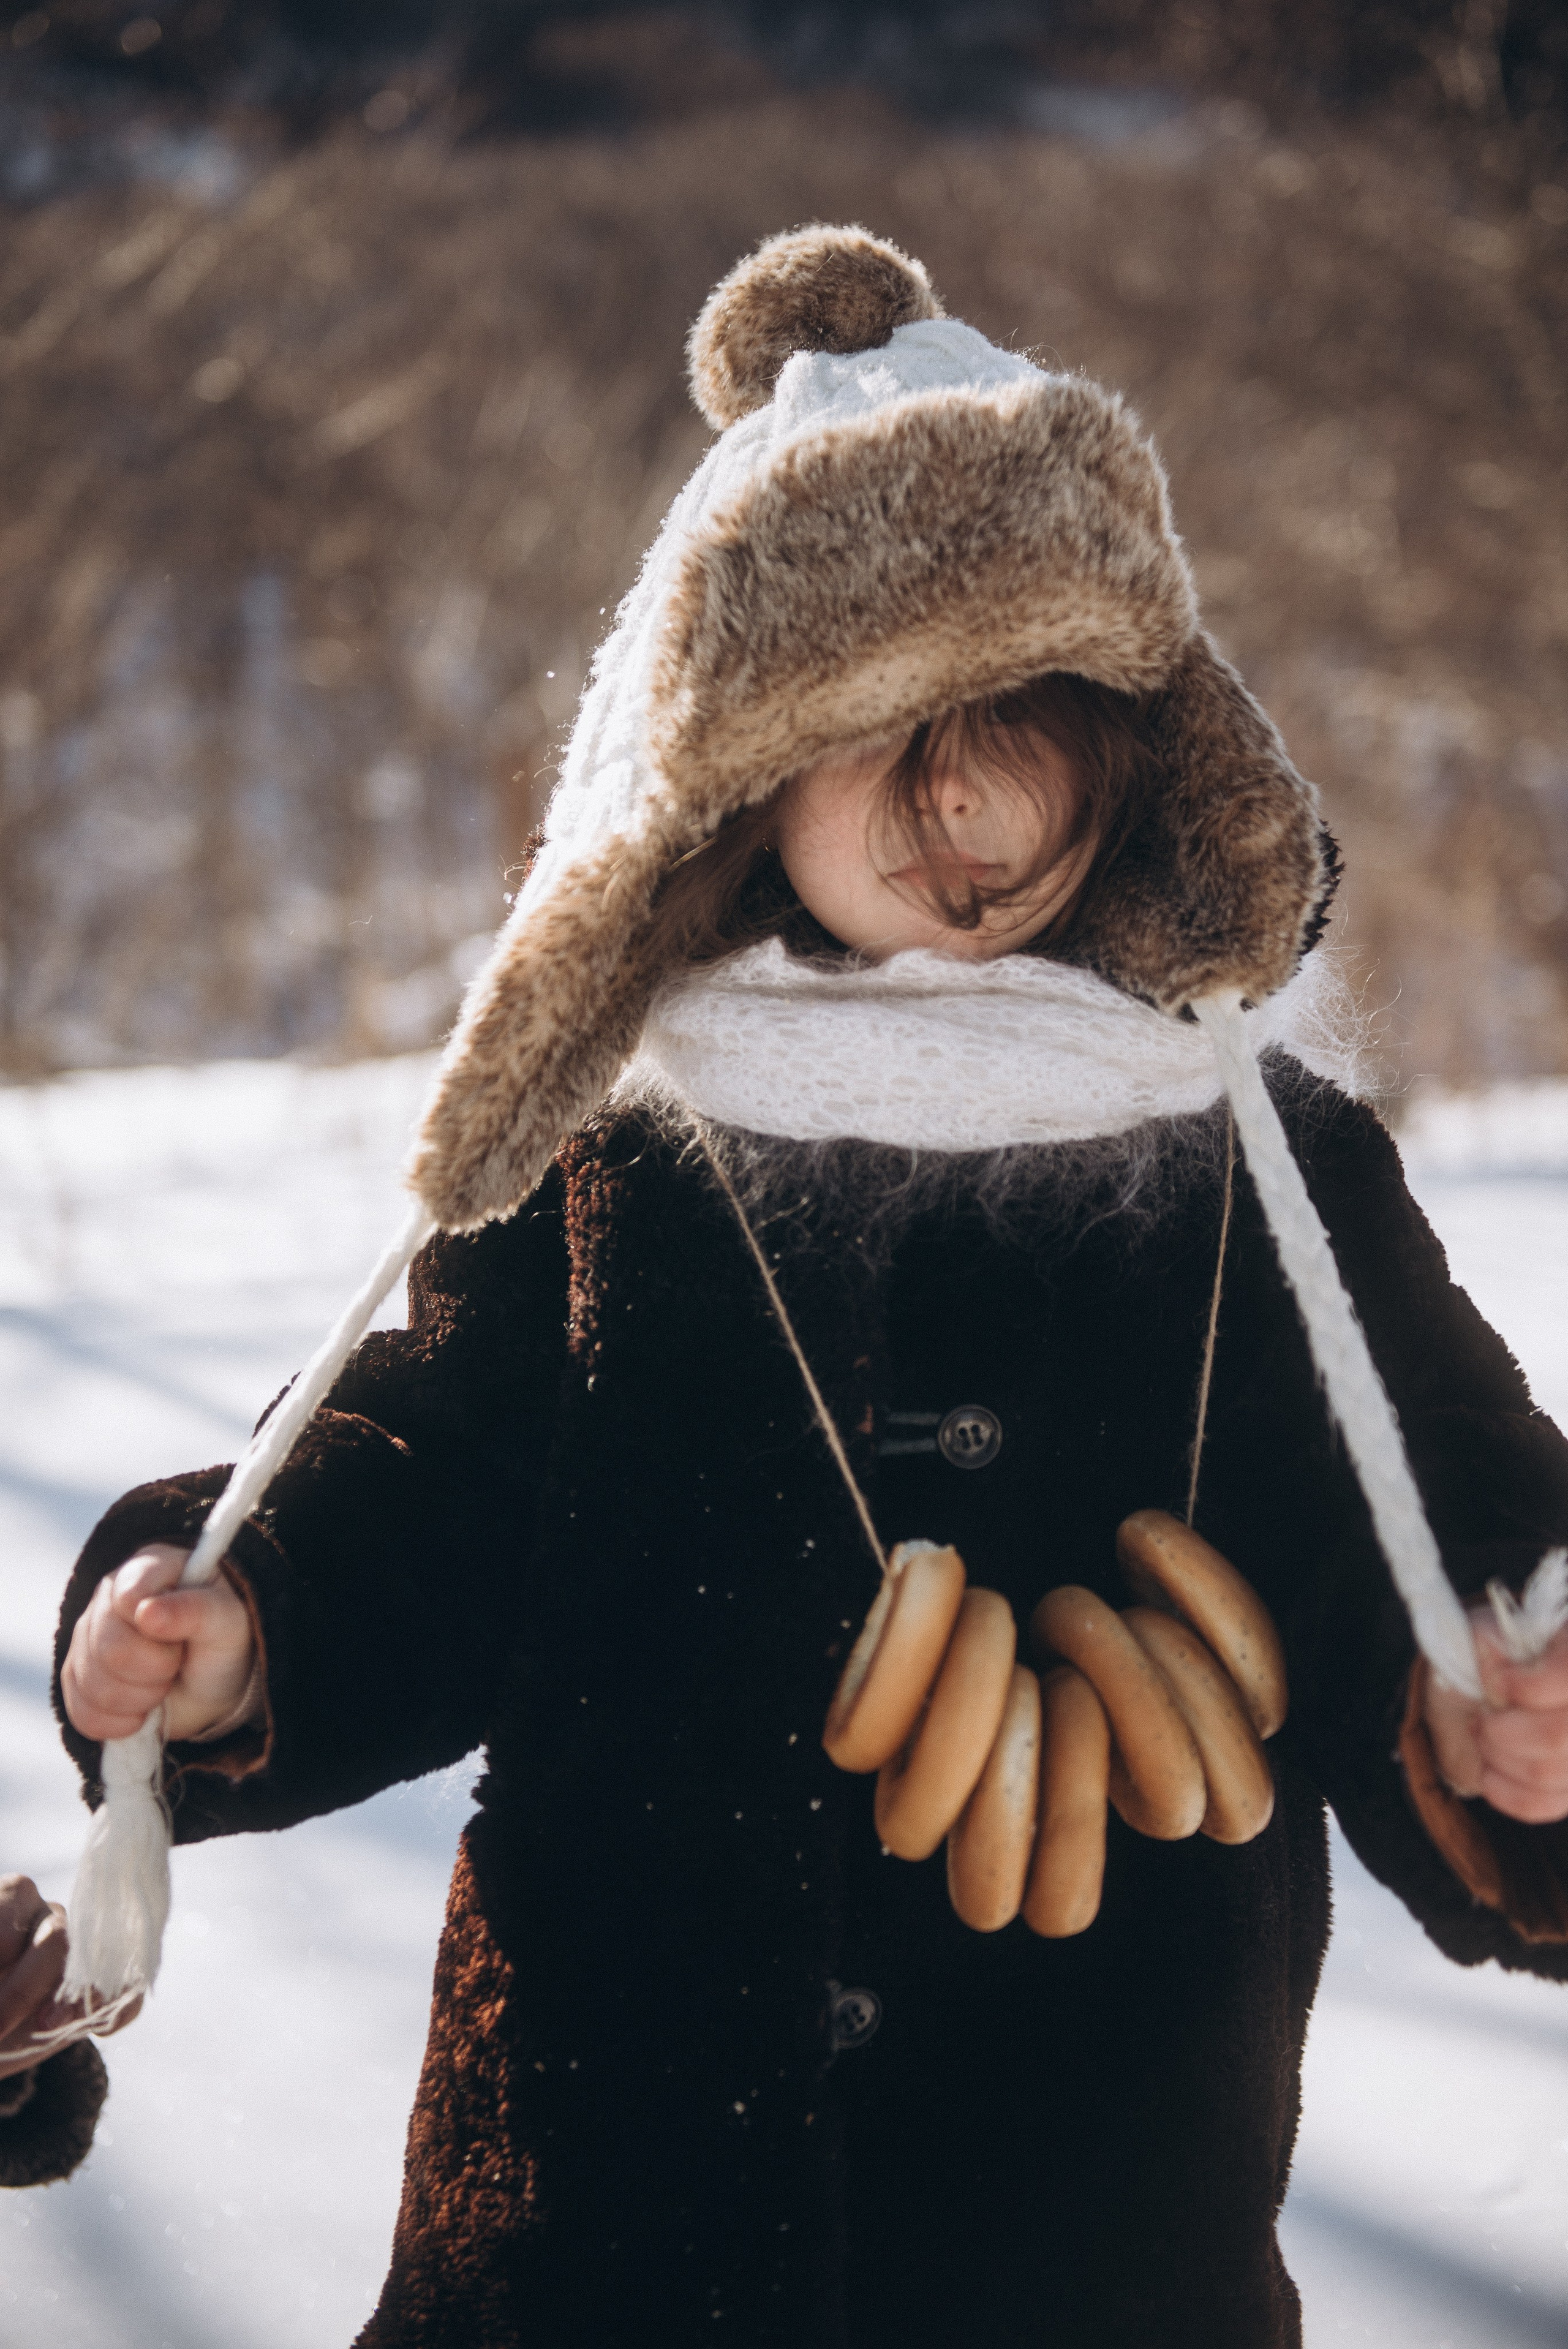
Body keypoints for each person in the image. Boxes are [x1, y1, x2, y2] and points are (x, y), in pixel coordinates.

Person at [11, 227, 1568, 2345]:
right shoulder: (628, 1150)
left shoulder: (1264, 1170)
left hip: (1100, 2246)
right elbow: (441, 1488)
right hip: (594, 2221)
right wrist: (243, 1622)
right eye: (885, 730)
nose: (975, 807)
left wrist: (1508, 1706)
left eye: (1035, 716)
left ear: (1143, 739)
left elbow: (1432, 1511)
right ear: (738, 761)